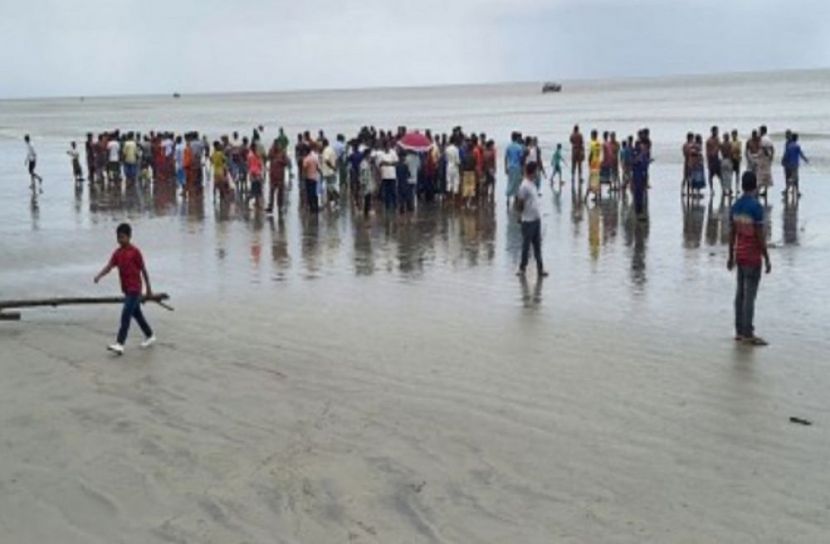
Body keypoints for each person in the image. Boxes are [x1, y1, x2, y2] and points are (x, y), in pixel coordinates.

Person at [93, 223, 156, 355]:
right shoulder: (118, 253)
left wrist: (149, 290)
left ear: (129, 237)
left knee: (126, 314)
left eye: (122, 237)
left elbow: (143, 270)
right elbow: (109, 266)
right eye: (118, 237)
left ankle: (120, 344)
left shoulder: (135, 252)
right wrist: (99, 275)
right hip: (126, 289)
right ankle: (150, 335)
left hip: (135, 289)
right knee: (137, 314)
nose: (120, 240)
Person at [728, 171, 771, 346]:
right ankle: (748, 332)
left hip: (740, 255)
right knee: (749, 296)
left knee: (740, 294)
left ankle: (739, 331)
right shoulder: (756, 207)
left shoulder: (735, 206)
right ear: (755, 187)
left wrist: (730, 255)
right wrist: (766, 257)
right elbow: (759, 235)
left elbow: (732, 233)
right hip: (753, 257)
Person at [516, 162, 548, 277]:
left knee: (537, 246)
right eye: (536, 171)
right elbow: (520, 202)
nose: (537, 173)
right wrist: (520, 216)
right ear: (532, 172)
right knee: (526, 246)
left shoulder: (533, 184)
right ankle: (522, 268)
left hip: (536, 220)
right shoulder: (524, 186)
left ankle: (540, 269)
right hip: (527, 221)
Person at [782, 132, 808, 198]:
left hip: (789, 164)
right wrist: (805, 159)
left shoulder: (789, 146)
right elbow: (801, 154)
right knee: (796, 178)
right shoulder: (797, 146)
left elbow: (786, 155)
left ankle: (787, 189)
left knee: (789, 177)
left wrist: (783, 161)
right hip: (795, 164)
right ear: (796, 139)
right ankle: (797, 191)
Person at [266, 140, 290, 213]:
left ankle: (280, 207)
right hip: (272, 176)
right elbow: (267, 157)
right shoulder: (271, 152)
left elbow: (287, 163)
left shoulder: (283, 153)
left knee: (280, 192)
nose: (276, 146)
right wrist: (271, 150)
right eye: (275, 145)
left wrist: (280, 161)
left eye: (277, 145)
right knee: (271, 191)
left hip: (280, 176)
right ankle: (271, 206)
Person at [377, 141, 398, 212]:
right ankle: (387, 206)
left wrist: (387, 163)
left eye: (388, 146)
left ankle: (395, 205)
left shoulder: (393, 153)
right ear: (384, 146)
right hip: (384, 176)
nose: (387, 147)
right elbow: (379, 164)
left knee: (393, 191)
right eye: (386, 146)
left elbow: (396, 162)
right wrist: (387, 163)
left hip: (392, 175)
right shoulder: (381, 154)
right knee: (386, 192)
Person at [504, 132, 524, 205]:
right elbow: (521, 159)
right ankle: (516, 198)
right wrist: (522, 168)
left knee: (509, 182)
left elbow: (506, 158)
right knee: (517, 183)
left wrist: (505, 167)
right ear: (517, 138)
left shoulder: (508, 147)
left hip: (510, 167)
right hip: (517, 167)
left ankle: (508, 198)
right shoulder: (519, 147)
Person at [302, 143, 321, 213]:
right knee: (314, 193)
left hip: (308, 178)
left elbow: (304, 169)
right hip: (314, 177)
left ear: (306, 151)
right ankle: (316, 206)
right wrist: (321, 173)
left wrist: (303, 177)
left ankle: (312, 207)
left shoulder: (306, 159)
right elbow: (318, 167)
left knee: (309, 193)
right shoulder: (315, 157)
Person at [756, 125, 774, 197]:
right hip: (767, 159)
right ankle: (765, 191)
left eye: (760, 131)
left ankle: (758, 190)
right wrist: (771, 156)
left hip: (764, 159)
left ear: (762, 131)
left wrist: (767, 155)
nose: (759, 132)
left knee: (760, 175)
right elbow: (772, 148)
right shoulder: (769, 138)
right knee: (767, 175)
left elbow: (764, 149)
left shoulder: (763, 139)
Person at [247, 142, 264, 209]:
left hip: (254, 172)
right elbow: (260, 164)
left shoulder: (251, 155)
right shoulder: (254, 155)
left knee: (256, 187)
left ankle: (256, 202)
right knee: (256, 187)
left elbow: (249, 165)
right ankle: (254, 201)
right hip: (255, 173)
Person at [445, 137, 461, 204]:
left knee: (449, 183)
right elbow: (457, 160)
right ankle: (455, 201)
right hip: (455, 167)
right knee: (456, 183)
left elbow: (446, 159)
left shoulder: (447, 149)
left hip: (448, 167)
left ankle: (448, 200)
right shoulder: (456, 149)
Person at [587, 130, 601, 201]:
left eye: (591, 135)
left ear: (593, 135)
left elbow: (591, 154)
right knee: (596, 180)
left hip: (593, 163)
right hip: (598, 162)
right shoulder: (599, 143)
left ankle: (586, 196)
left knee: (591, 179)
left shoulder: (592, 143)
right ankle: (597, 195)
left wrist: (589, 162)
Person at [705, 126, 721, 192]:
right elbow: (707, 151)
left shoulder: (717, 139)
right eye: (716, 131)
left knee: (720, 175)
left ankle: (723, 189)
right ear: (713, 131)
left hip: (716, 159)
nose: (717, 132)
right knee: (710, 176)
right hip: (711, 160)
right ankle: (711, 189)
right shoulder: (709, 141)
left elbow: (719, 148)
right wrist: (708, 161)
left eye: (717, 131)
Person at [720, 133, 734, 197]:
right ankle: (729, 189)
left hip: (723, 159)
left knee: (723, 176)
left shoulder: (722, 144)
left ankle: (724, 190)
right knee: (729, 176)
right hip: (728, 160)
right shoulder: (730, 144)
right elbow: (731, 153)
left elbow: (721, 152)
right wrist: (731, 160)